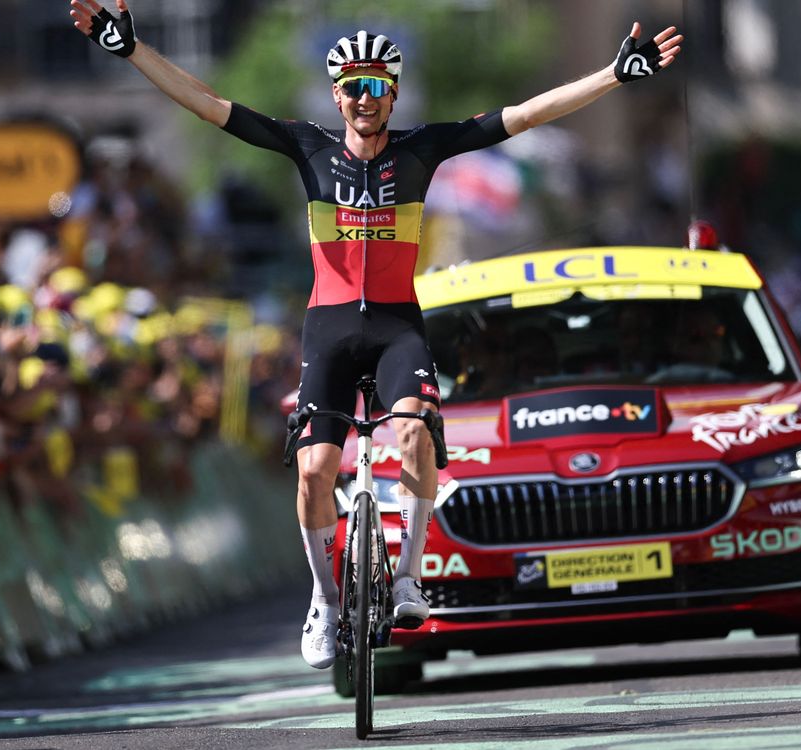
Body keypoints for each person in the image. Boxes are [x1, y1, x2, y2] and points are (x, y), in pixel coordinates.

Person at [70, 0, 681, 669]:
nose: (364, 98)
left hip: (396, 328)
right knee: (313, 474)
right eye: (352, 86)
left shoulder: (422, 149)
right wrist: (130, 49)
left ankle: (412, 578)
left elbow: (525, 114)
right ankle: (326, 603)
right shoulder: (308, 146)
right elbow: (207, 103)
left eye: (376, 85)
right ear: (336, 95)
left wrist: (614, 77)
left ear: (392, 93)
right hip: (329, 331)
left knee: (415, 433)